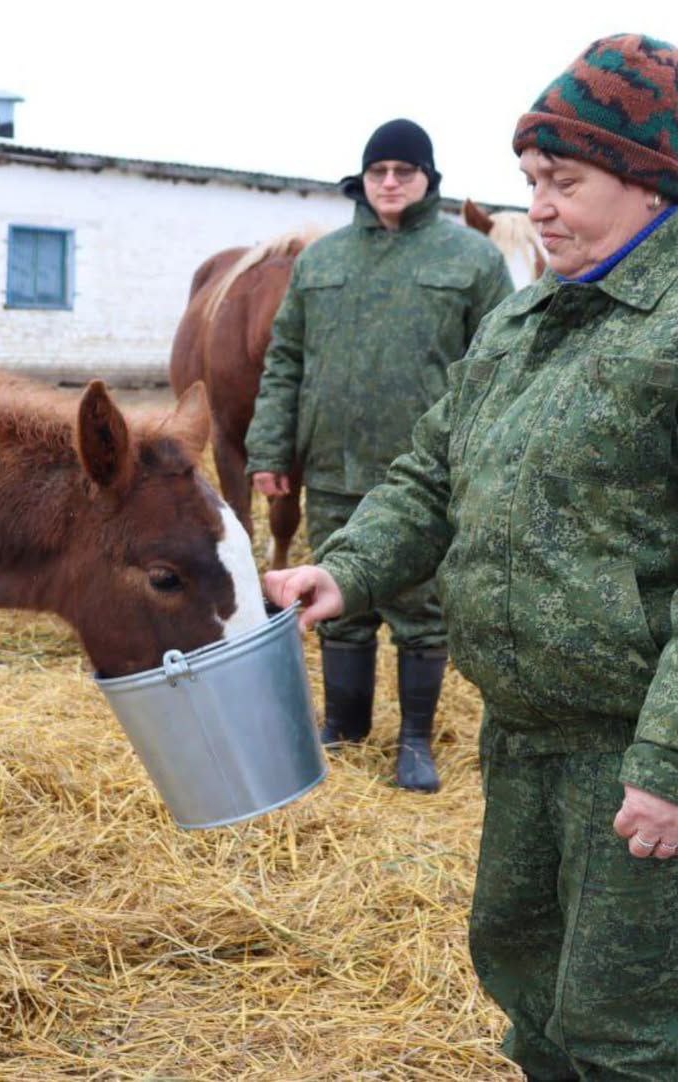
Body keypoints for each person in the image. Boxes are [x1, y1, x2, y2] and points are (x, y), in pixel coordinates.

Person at [265, 33, 678, 1081]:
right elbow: (432, 473)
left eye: (565, 181)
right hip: (525, 734)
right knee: (527, 982)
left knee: (627, 1026)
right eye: (532, 179)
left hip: (633, 757)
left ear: (652, 183)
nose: (535, 206)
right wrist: (346, 567)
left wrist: (668, 766)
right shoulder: (528, 317)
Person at [245, 118, 513, 792]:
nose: (390, 182)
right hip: (333, 467)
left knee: (421, 612)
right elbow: (285, 362)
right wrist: (271, 447)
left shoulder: (472, 261)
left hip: (423, 479)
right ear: (362, 181)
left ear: (429, 179)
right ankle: (344, 724)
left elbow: (501, 367)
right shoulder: (322, 261)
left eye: (404, 170)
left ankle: (416, 741)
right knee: (338, 602)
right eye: (378, 171)